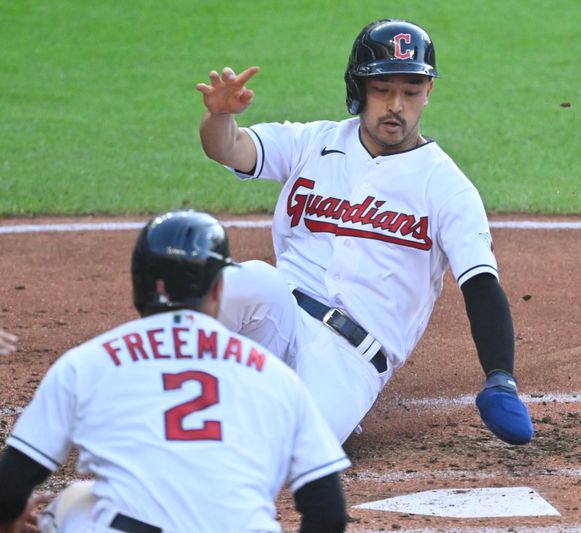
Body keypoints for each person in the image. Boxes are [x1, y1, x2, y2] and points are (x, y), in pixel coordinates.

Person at [195, 18, 533, 446]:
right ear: (358, 90)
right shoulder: (312, 143)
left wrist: (500, 376)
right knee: (245, 280)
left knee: (294, 447)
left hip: (349, 360)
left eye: (410, 92)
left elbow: (481, 284)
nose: (396, 105)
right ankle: (153, 390)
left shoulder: (448, 188)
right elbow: (229, 147)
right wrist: (219, 116)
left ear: (428, 92)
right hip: (279, 314)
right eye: (382, 90)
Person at [0, 210, 350, 533]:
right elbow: (328, 512)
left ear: (138, 282)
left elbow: (9, 489)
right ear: (218, 290)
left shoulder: (86, 363)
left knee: (72, 502)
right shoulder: (276, 377)